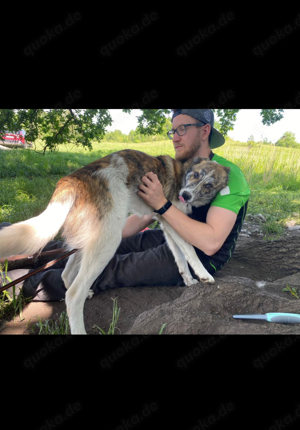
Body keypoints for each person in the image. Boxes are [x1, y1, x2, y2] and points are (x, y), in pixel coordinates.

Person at [4, 109, 250, 301]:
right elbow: (146, 217)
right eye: (173, 130)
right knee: (108, 247)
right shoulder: (180, 170)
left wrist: (162, 204)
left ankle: (22, 283)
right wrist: (102, 236)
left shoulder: (227, 175)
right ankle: (19, 252)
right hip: (170, 237)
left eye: (183, 129)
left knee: (113, 268)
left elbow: (210, 243)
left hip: (202, 258)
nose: (175, 137)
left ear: (205, 130)